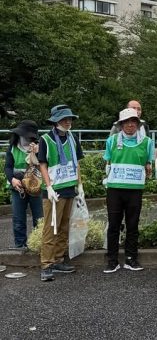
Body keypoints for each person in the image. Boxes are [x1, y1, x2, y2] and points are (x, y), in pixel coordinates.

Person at [103, 108, 154, 273]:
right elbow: (107, 162)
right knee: (114, 225)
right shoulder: (112, 141)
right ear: (121, 124)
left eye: (134, 122)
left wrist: (149, 167)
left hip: (135, 189)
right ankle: (112, 260)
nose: (130, 125)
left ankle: (131, 258)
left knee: (133, 225)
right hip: (115, 189)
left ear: (138, 124)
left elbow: (148, 165)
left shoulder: (146, 142)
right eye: (127, 122)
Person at [37, 105, 85, 282]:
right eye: (65, 119)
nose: (68, 121)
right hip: (54, 191)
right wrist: (48, 187)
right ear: (56, 120)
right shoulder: (46, 139)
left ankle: (58, 259)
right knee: (51, 227)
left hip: (69, 188)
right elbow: (42, 164)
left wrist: (80, 185)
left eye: (70, 118)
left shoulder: (72, 138)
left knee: (64, 226)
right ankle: (46, 264)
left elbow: (76, 162)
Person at [4, 120, 43, 250]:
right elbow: (8, 167)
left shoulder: (39, 146)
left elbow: (44, 165)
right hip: (17, 186)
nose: (27, 138)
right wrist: (13, 180)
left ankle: (39, 244)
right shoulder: (13, 147)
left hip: (36, 186)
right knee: (18, 218)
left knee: (39, 217)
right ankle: (20, 245)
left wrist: (37, 153)